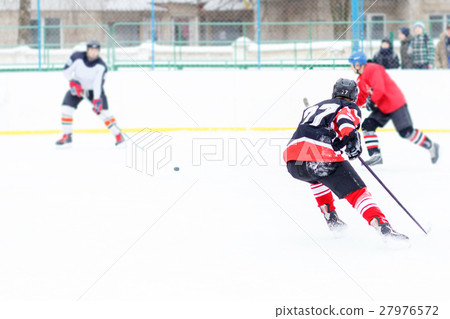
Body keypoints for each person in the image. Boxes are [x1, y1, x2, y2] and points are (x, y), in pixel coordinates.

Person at [284, 78, 408, 240]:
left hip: (293, 159)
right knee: (358, 193)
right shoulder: (349, 106)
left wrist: (341, 142)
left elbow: (314, 129)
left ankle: (332, 219)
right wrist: (350, 136)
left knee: (316, 178)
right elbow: (344, 120)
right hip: (318, 154)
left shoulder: (314, 107)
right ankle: (384, 228)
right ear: (354, 96)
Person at [348, 51, 439, 166]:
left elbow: (379, 89)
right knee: (367, 125)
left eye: (351, 64)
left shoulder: (373, 69)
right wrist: (349, 104)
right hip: (382, 106)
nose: (350, 67)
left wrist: (372, 101)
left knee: (406, 132)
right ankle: (376, 155)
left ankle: (431, 146)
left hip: (395, 103)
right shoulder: (360, 79)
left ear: (357, 64)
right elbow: (361, 97)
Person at [55, 40, 124, 146]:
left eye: (96, 50)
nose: (93, 52)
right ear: (87, 50)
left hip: (94, 91)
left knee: (104, 113)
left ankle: (118, 135)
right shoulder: (76, 57)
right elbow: (66, 71)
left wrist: (97, 99)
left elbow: (98, 84)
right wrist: (73, 82)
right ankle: (67, 135)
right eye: (91, 50)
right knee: (66, 109)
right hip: (78, 88)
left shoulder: (101, 66)